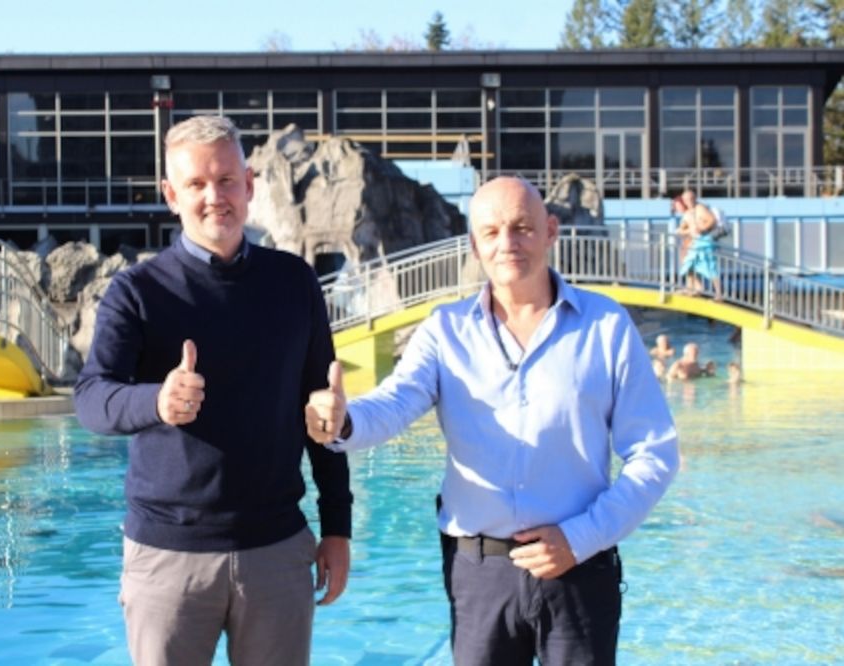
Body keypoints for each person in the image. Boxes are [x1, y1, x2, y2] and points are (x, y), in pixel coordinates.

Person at [306, 176, 679, 665]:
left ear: (551, 231)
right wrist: (342, 421)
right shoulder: (445, 331)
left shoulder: (606, 327)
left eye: (522, 227)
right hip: (480, 574)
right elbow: (394, 405)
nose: (508, 243)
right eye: (492, 231)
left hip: (581, 566)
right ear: (474, 244)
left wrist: (580, 538)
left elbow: (655, 453)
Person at [73, 115, 352, 666]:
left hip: (277, 549)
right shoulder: (137, 292)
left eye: (226, 180)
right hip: (167, 557)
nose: (214, 197)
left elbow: (322, 411)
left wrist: (337, 527)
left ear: (249, 184)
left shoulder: (294, 283)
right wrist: (155, 401)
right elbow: (91, 398)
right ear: (171, 195)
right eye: (196, 184)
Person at [677, 189, 723, 302]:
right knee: (689, 264)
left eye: (691, 199)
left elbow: (712, 220)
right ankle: (693, 288)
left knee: (710, 266)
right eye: (686, 200)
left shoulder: (700, 208)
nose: (689, 201)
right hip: (695, 243)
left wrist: (701, 228)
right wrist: (687, 231)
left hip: (704, 241)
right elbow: (681, 229)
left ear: (695, 198)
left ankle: (718, 294)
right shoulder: (687, 213)